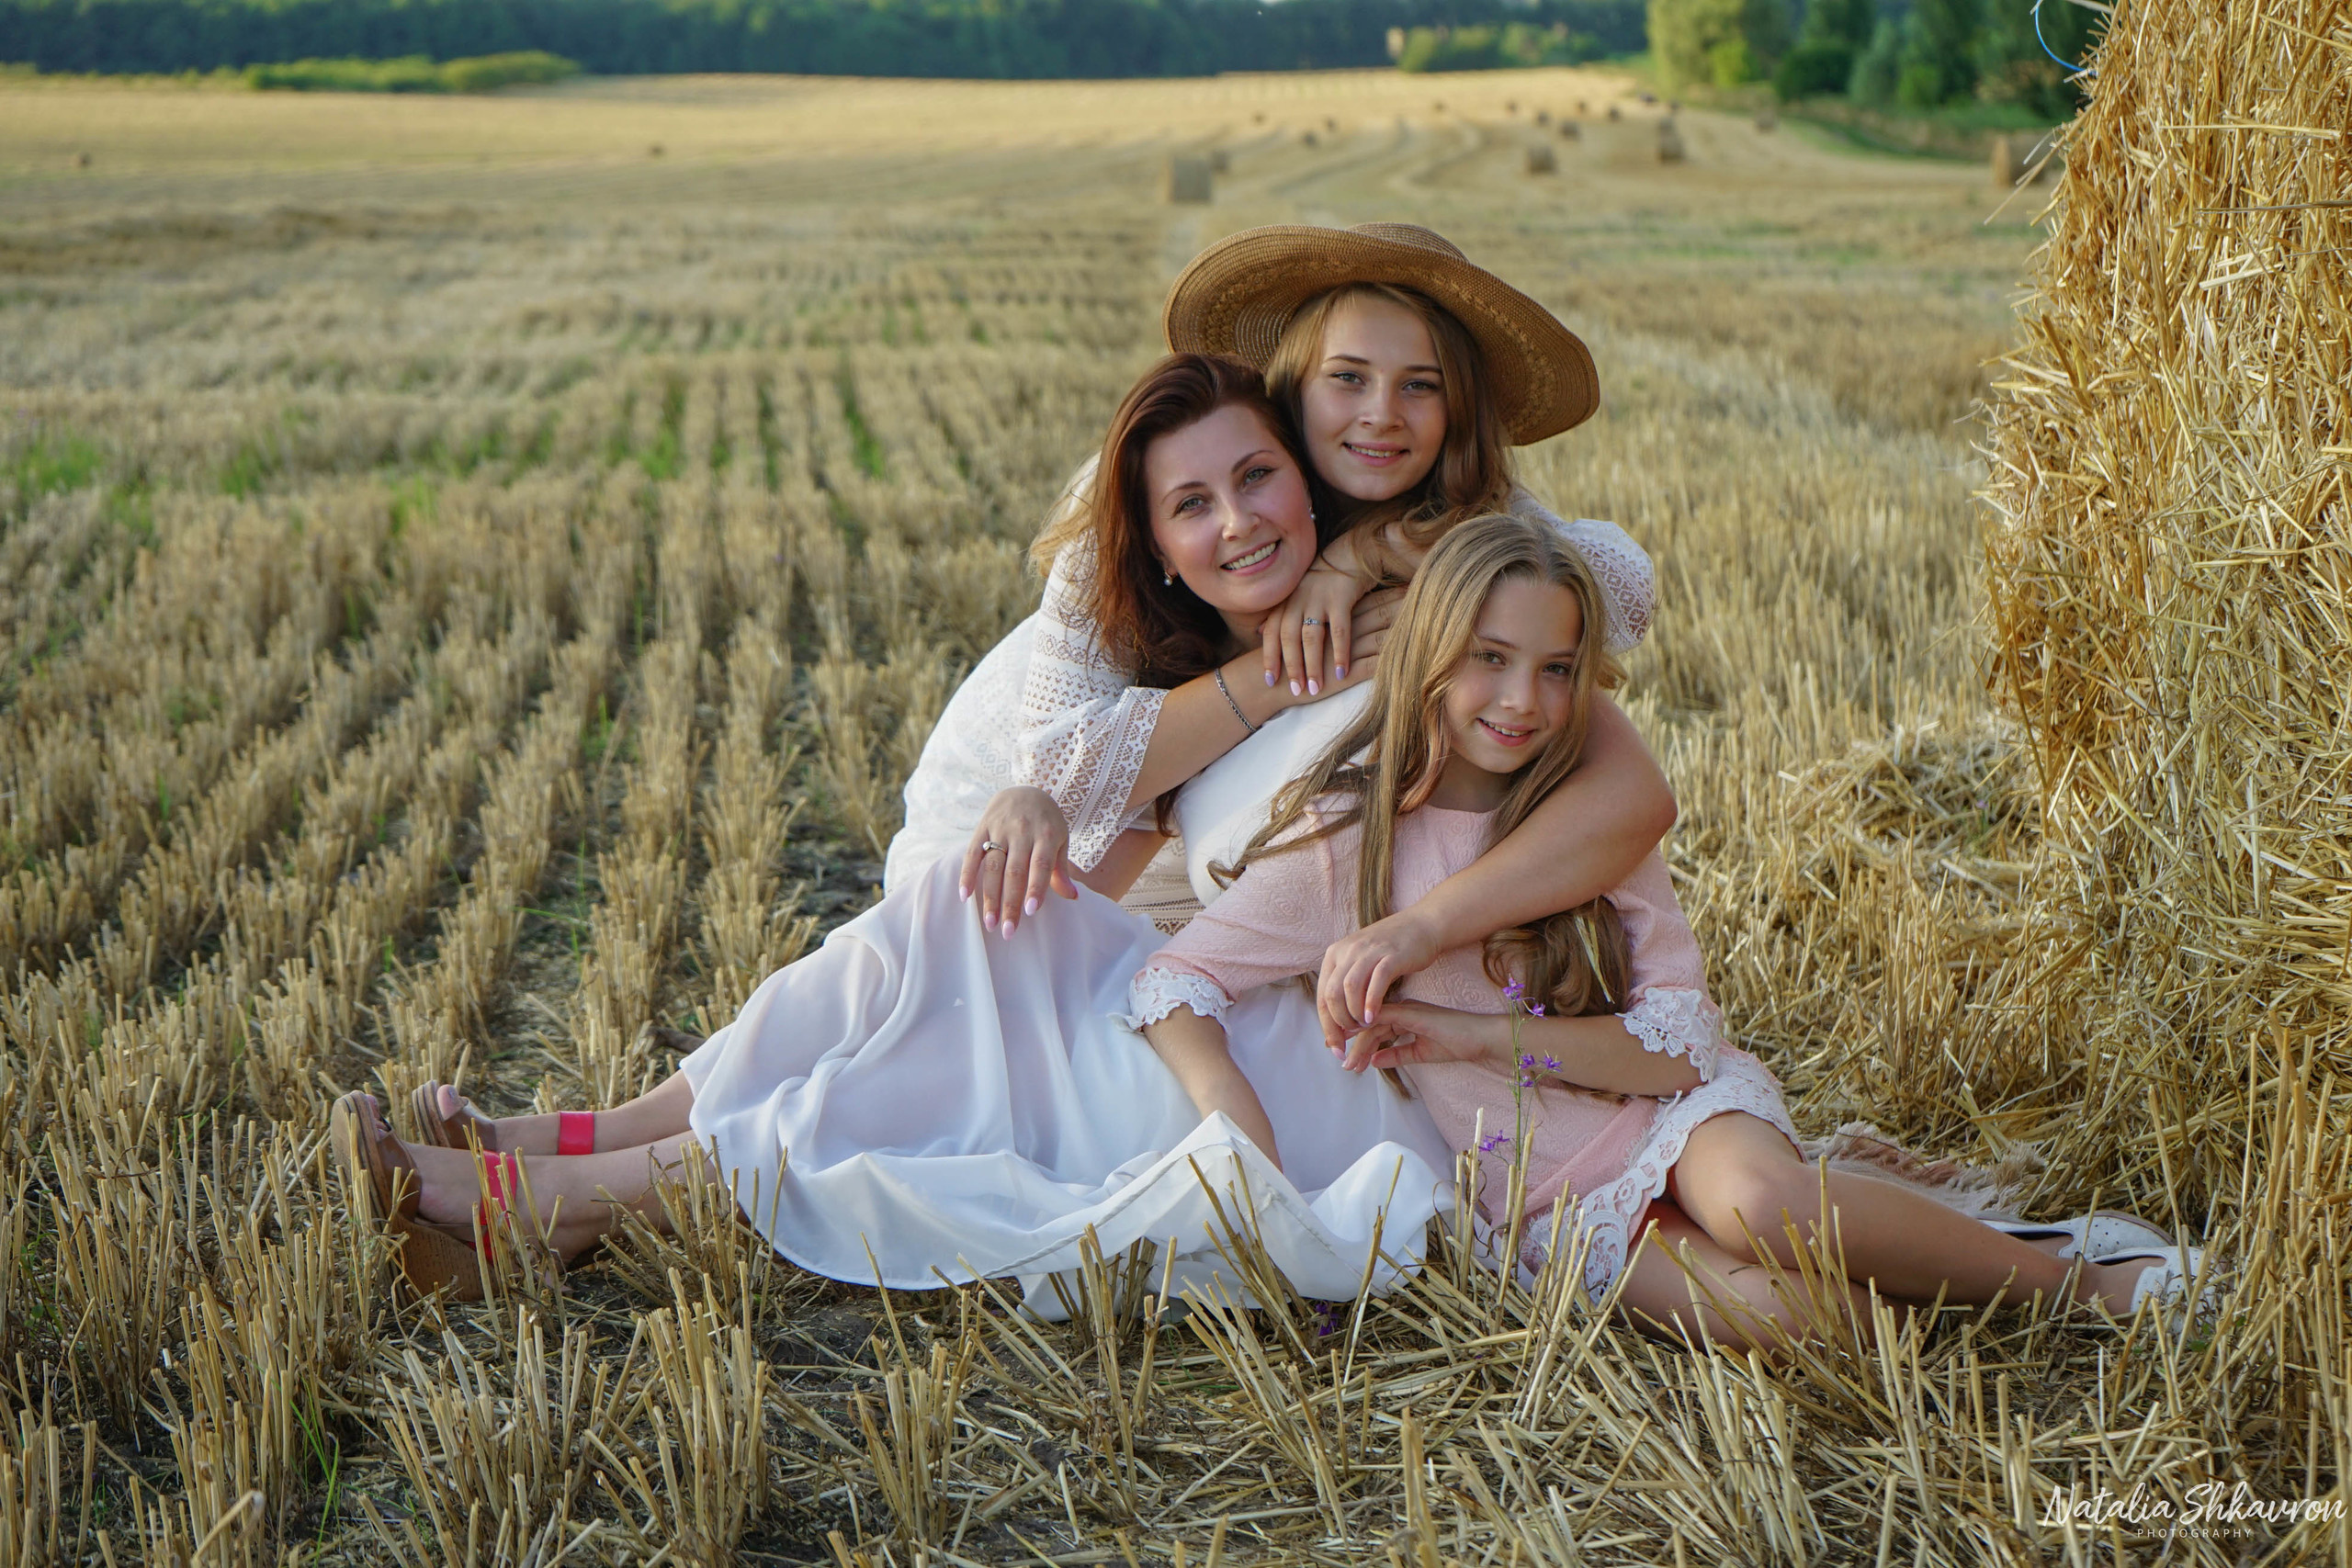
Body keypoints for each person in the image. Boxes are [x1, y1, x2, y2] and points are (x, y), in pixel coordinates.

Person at [336, 354, 1459, 1304]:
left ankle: (563, 1192)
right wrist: (1022, 879)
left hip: (1315, 1046)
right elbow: (1105, 881)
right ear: (1161, 549)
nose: (1239, 521)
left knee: (943, 1058)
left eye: (1260, 477)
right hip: (1207, 994)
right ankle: (589, 1167)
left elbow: (1594, 623)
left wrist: (1363, 567)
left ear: (1310, 487)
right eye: (1192, 505)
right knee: (953, 932)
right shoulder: (1202, 679)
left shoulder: (1415, 624)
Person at [1125, 513, 2209, 1352]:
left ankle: (2092, 1281)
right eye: (1490, 659)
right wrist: (1232, 1118)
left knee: (1761, 1205)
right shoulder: (1343, 845)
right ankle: (1951, 1242)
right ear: (1430, 657)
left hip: (1678, 1117)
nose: (1523, 701)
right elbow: (1172, 980)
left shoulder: (1571, 823)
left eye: (1557, 671)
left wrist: (1463, 1040)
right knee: (1815, 1326)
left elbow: (1671, 1049)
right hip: (1546, 1206)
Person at [888, 225, 1676, 1058]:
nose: (1381, 413)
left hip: (1241, 866)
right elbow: (1053, 776)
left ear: (1456, 412)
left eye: (1422, 385)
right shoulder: (1187, 474)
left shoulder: (1443, 513)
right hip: (1026, 850)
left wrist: (1364, 553)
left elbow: (1620, 590)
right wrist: (1281, 673)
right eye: (1347, 378)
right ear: (1293, 386)